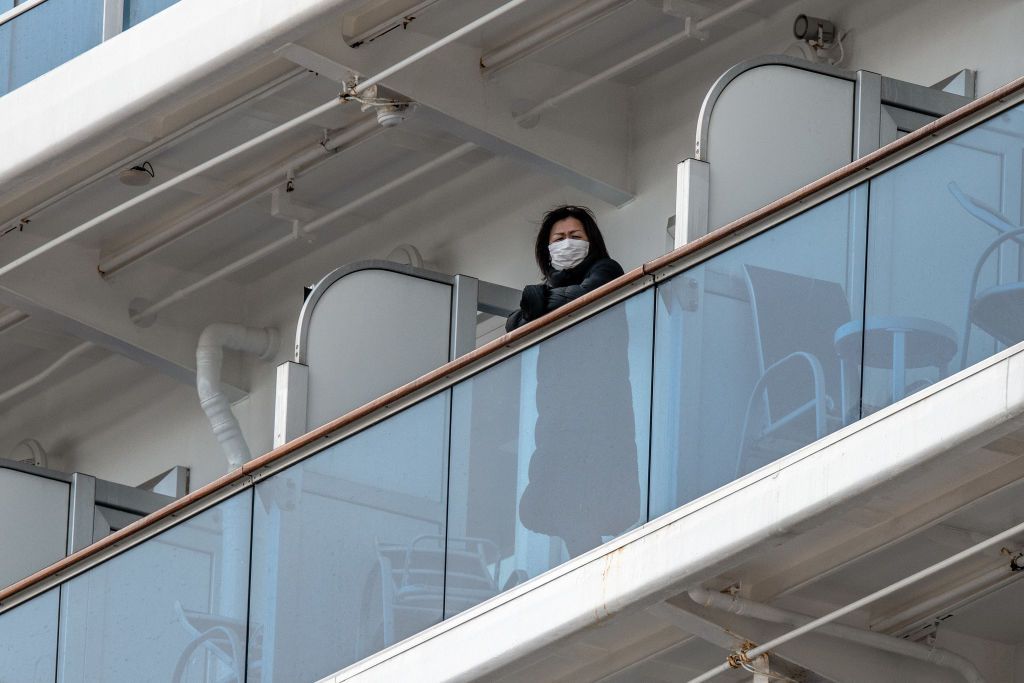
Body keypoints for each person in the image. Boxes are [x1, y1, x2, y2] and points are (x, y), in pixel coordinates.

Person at [506, 205, 641, 558]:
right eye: (559, 238)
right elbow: (513, 327)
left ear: (591, 241)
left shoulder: (606, 269)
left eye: (575, 236)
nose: (567, 243)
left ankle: (590, 559)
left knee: (584, 487)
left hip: (598, 411)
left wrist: (536, 301)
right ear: (545, 247)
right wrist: (536, 302)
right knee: (556, 497)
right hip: (558, 415)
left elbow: (584, 298)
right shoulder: (548, 289)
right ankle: (585, 558)